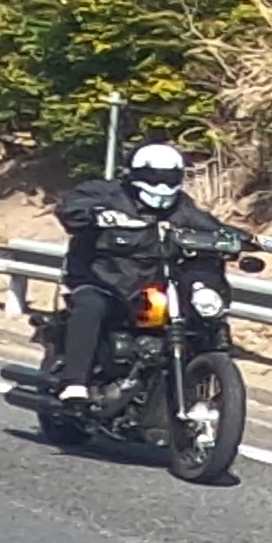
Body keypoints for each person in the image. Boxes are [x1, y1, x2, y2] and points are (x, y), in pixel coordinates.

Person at [51, 143, 229, 404]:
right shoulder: (106, 193)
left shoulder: (181, 205)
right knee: (90, 304)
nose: (162, 185)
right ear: (134, 174)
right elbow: (70, 208)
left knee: (194, 313)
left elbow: (208, 226)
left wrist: (244, 239)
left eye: (169, 177)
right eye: (154, 177)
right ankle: (75, 382)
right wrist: (95, 215)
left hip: (150, 287)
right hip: (104, 279)